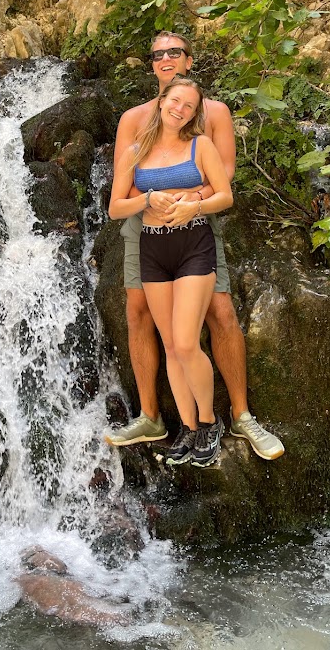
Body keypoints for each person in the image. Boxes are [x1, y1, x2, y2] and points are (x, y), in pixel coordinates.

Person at [105, 31, 284, 461]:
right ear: (151, 65)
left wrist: (191, 202)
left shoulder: (213, 113)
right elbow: (121, 185)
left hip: (196, 224)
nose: (166, 58)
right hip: (144, 230)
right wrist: (150, 203)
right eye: (157, 54)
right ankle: (152, 416)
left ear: (188, 59)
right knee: (138, 311)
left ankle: (240, 415)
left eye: (174, 52)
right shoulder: (134, 119)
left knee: (220, 310)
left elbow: (224, 170)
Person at [109, 77, 233, 466]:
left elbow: (224, 195)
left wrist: (192, 207)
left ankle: (210, 422)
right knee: (169, 347)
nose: (180, 109)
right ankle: (187, 427)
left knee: (184, 343)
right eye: (175, 100)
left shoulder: (201, 145)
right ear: (162, 101)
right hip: (152, 249)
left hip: (194, 244)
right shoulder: (134, 151)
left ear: (196, 113)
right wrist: (146, 199)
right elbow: (115, 207)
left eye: (189, 106)